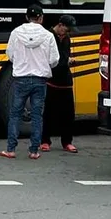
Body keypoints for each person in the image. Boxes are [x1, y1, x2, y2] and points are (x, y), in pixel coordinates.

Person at [0, 5, 59, 160]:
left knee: (15, 114)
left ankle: (11, 149)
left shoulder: (16, 33)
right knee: (37, 115)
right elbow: (54, 60)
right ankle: (34, 151)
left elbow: (10, 55)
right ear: (41, 18)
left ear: (26, 17)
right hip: (40, 79)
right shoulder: (48, 35)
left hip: (21, 78)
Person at [41, 15, 77, 154]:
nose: (67, 32)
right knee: (48, 112)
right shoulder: (48, 36)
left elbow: (65, 55)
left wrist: (67, 61)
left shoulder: (67, 39)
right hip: (52, 79)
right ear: (60, 25)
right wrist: (65, 61)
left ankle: (67, 141)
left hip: (65, 80)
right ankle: (45, 140)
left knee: (68, 114)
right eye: (66, 29)